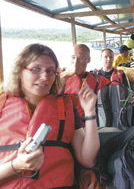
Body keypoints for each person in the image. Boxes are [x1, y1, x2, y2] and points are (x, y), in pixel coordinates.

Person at [0, 44, 99, 188]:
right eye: (36, 69)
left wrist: (90, 112)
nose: (45, 76)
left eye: (50, 71)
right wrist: (16, 166)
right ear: (20, 71)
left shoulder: (66, 106)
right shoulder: (2, 105)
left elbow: (88, 159)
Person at [60, 44, 110, 118]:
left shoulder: (98, 80)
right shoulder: (58, 76)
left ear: (89, 60)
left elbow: (121, 90)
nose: (76, 62)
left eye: (81, 58)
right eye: (73, 57)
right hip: (63, 125)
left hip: (87, 125)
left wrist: (133, 95)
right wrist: (66, 74)